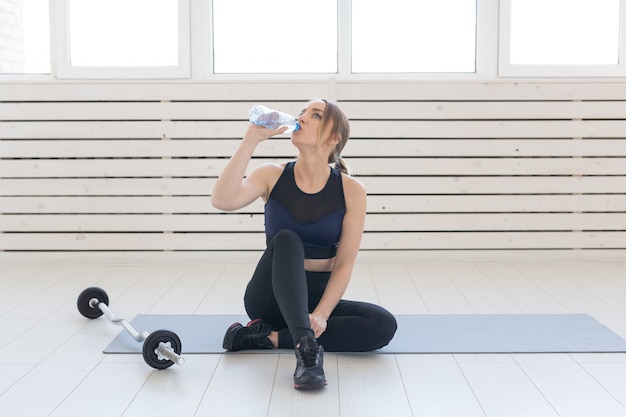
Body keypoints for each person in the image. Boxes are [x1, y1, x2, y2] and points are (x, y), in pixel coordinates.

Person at [211, 99, 397, 390]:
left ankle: (264, 338)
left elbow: (345, 263)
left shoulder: (351, 190)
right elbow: (222, 200)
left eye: (315, 115)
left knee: (382, 324)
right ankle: (307, 352)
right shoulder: (271, 175)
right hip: (270, 298)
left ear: (335, 138)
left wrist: (322, 313)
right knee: (286, 239)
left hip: (317, 297)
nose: (303, 118)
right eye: (302, 113)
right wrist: (251, 139)